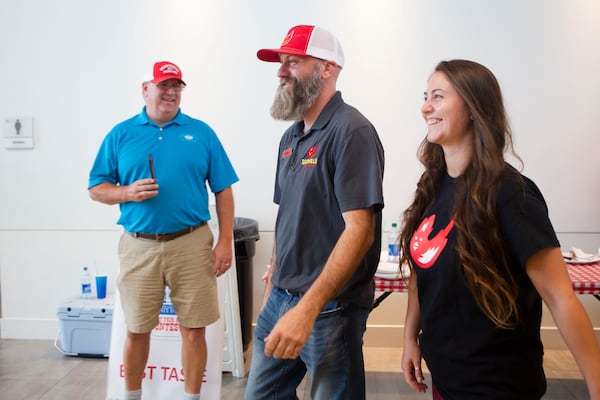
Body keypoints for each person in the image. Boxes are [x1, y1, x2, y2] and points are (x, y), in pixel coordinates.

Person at [399, 59, 600, 399]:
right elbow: (423, 268)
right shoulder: (433, 186)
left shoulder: (511, 193)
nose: (425, 107)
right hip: (446, 381)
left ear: (475, 107)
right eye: (425, 96)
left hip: (497, 386)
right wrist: (409, 338)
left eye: (437, 96)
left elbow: (559, 297)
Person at [245, 25, 385, 399]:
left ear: (327, 69)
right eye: (280, 62)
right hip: (281, 299)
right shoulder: (290, 137)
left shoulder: (352, 131)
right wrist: (274, 283)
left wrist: (307, 309)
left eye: (293, 61)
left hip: (329, 309)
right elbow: (287, 218)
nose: (280, 71)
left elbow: (360, 230)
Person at [88, 60, 238, 400]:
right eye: (163, 85)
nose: (170, 93)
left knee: (194, 330)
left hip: (192, 243)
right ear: (146, 89)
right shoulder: (121, 134)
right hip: (138, 246)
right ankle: (132, 396)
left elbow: (224, 189)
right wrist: (126, 193)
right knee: (137, 329)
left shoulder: (201, 132)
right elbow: (96, 188)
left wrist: (225, 240)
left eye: (176, 87)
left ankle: (191, 397)